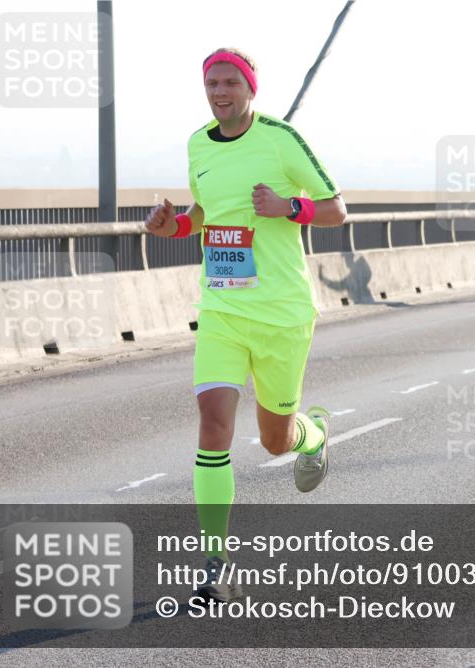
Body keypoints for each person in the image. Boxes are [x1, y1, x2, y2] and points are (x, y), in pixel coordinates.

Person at [144, 48, 347, 601]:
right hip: (223, 310)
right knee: (213, 425)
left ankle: (315, 433)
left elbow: (336, 207)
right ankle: (216, 560)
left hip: (282, 314)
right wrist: (174, 225)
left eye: (230, 82)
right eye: (212, 82)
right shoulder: (197, 144)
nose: (220, 91)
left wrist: (289, 208)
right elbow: (206, 213)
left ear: (250, 88)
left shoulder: (281, 138)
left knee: (274, 440)